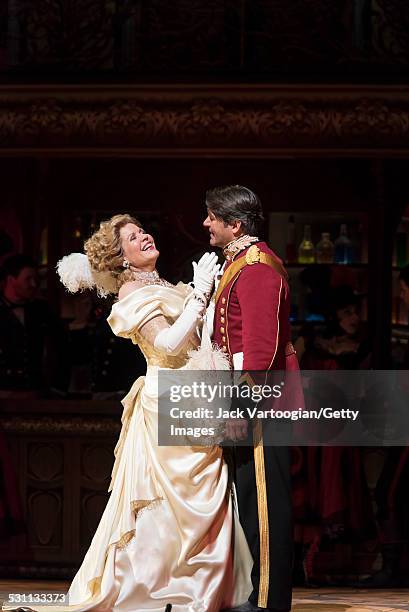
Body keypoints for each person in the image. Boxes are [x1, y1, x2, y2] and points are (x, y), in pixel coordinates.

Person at [10, 213, 252, 612]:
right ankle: (161, 587)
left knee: (207, 491)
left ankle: (203, 587)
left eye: (142, 231)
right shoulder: (131, 295)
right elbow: (170, 345)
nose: (144, 238)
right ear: (120, 258)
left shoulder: (160, 285)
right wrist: (199, 295)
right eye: (132, 237)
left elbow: (194, 339)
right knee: (169, 500)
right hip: (167, 399)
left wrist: (205, 302)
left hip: (193, 394)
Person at [203, 186, 300, 612]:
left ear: (235, 224)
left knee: (265, 502)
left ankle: (269, 600)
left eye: (211, 216)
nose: (206, 223)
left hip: (259, 400)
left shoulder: (257, 266)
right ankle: (258, 593)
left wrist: (244, 407)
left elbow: (261, 348)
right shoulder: (240, 263)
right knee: (250, 497)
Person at [0, 254, 68, 393]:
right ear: (11, 280)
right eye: (28, 279)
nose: (34, 284)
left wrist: (58, 387)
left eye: (36, 279)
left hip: (36, 390)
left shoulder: (42, 310)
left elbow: (62, 348)